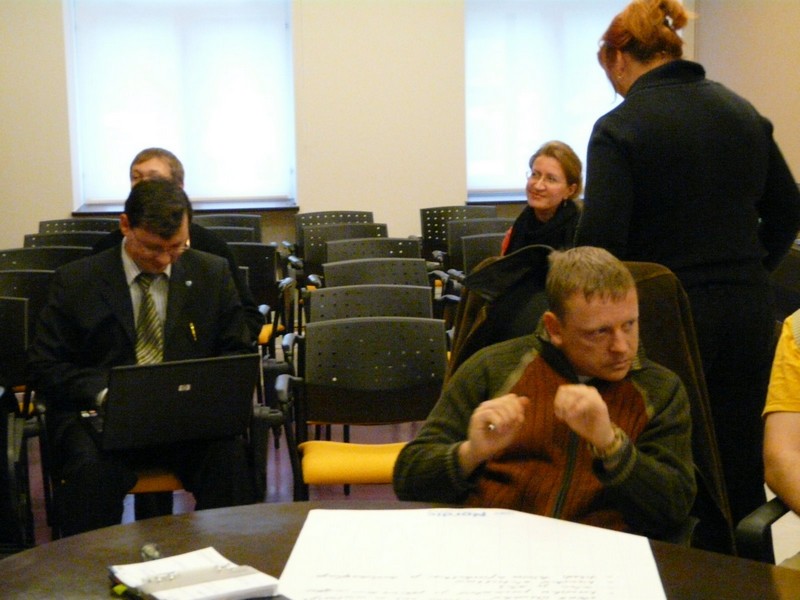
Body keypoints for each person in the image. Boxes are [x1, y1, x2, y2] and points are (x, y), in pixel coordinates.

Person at [574, 0, 800, 526]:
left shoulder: (620, 127)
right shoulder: (743, 113)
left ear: (619, 57)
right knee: (739, 455)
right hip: (749, 312)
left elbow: (600, 246)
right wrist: (748, 270)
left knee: (670, 460)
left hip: (667, 317)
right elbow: (788, 211)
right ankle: (743, 566)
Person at [394, 246, 695, 540]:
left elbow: (673, 509)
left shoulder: (659, 389)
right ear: (555, 329)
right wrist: (471, 453)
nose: (621, 347)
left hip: (597, 553)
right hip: (494, 546)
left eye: (629, 325)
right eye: (599, 332)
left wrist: (611, 445)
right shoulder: (493, 368)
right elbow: (409, 479)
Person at [28, 179, 256, 536]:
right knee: (89, 473)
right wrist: (106, 393)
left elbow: (237, 353)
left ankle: (229, 560)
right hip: (101, 420)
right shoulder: (77, 281)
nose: (164, 260)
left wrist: (201, 391)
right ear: (125, 226)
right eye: (152, 248)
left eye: (176, 247)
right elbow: (45, 366)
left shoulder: (211, 273)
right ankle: (86, 566)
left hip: (185, 418)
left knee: (230, 459)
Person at [93, 147, 265, 342]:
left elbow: (247, 320)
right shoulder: (106, 250)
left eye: (153, 178)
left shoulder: (212, 252)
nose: (142, 185)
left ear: (178, 187)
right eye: (136, 178)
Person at [501, 141, 583, 255]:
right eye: (535, 174)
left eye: (551, 179)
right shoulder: (522, 223)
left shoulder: (579, 233)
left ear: (570, 190)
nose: (538, 186)